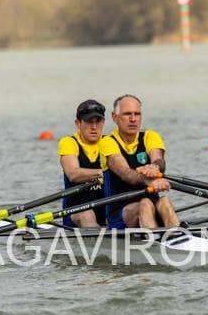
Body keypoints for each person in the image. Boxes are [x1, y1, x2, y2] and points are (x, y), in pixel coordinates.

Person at [99, 94, 179, 229]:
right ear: (114, 117)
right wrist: (148, 181)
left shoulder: (150, 136)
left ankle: (177, 235)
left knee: (164, 201)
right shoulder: (107, 142)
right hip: (119, 213)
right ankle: (155, 239)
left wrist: (154, 167)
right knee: (145, 203)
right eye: (127, 114)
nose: (133, 119)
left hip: (152, 204)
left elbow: (159, 160)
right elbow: (126, 173)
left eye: (137, 114)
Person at [58, 99, 107, 227]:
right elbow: (73, 174)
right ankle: (101, 238)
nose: (94, 127)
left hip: (107, 209)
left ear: (103, 122)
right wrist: (103, 173)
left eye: (98, 121)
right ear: (78, 123)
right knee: (87, 214)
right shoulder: (69, 142)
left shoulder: (110, 142)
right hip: (76, 211)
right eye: (89, 121)